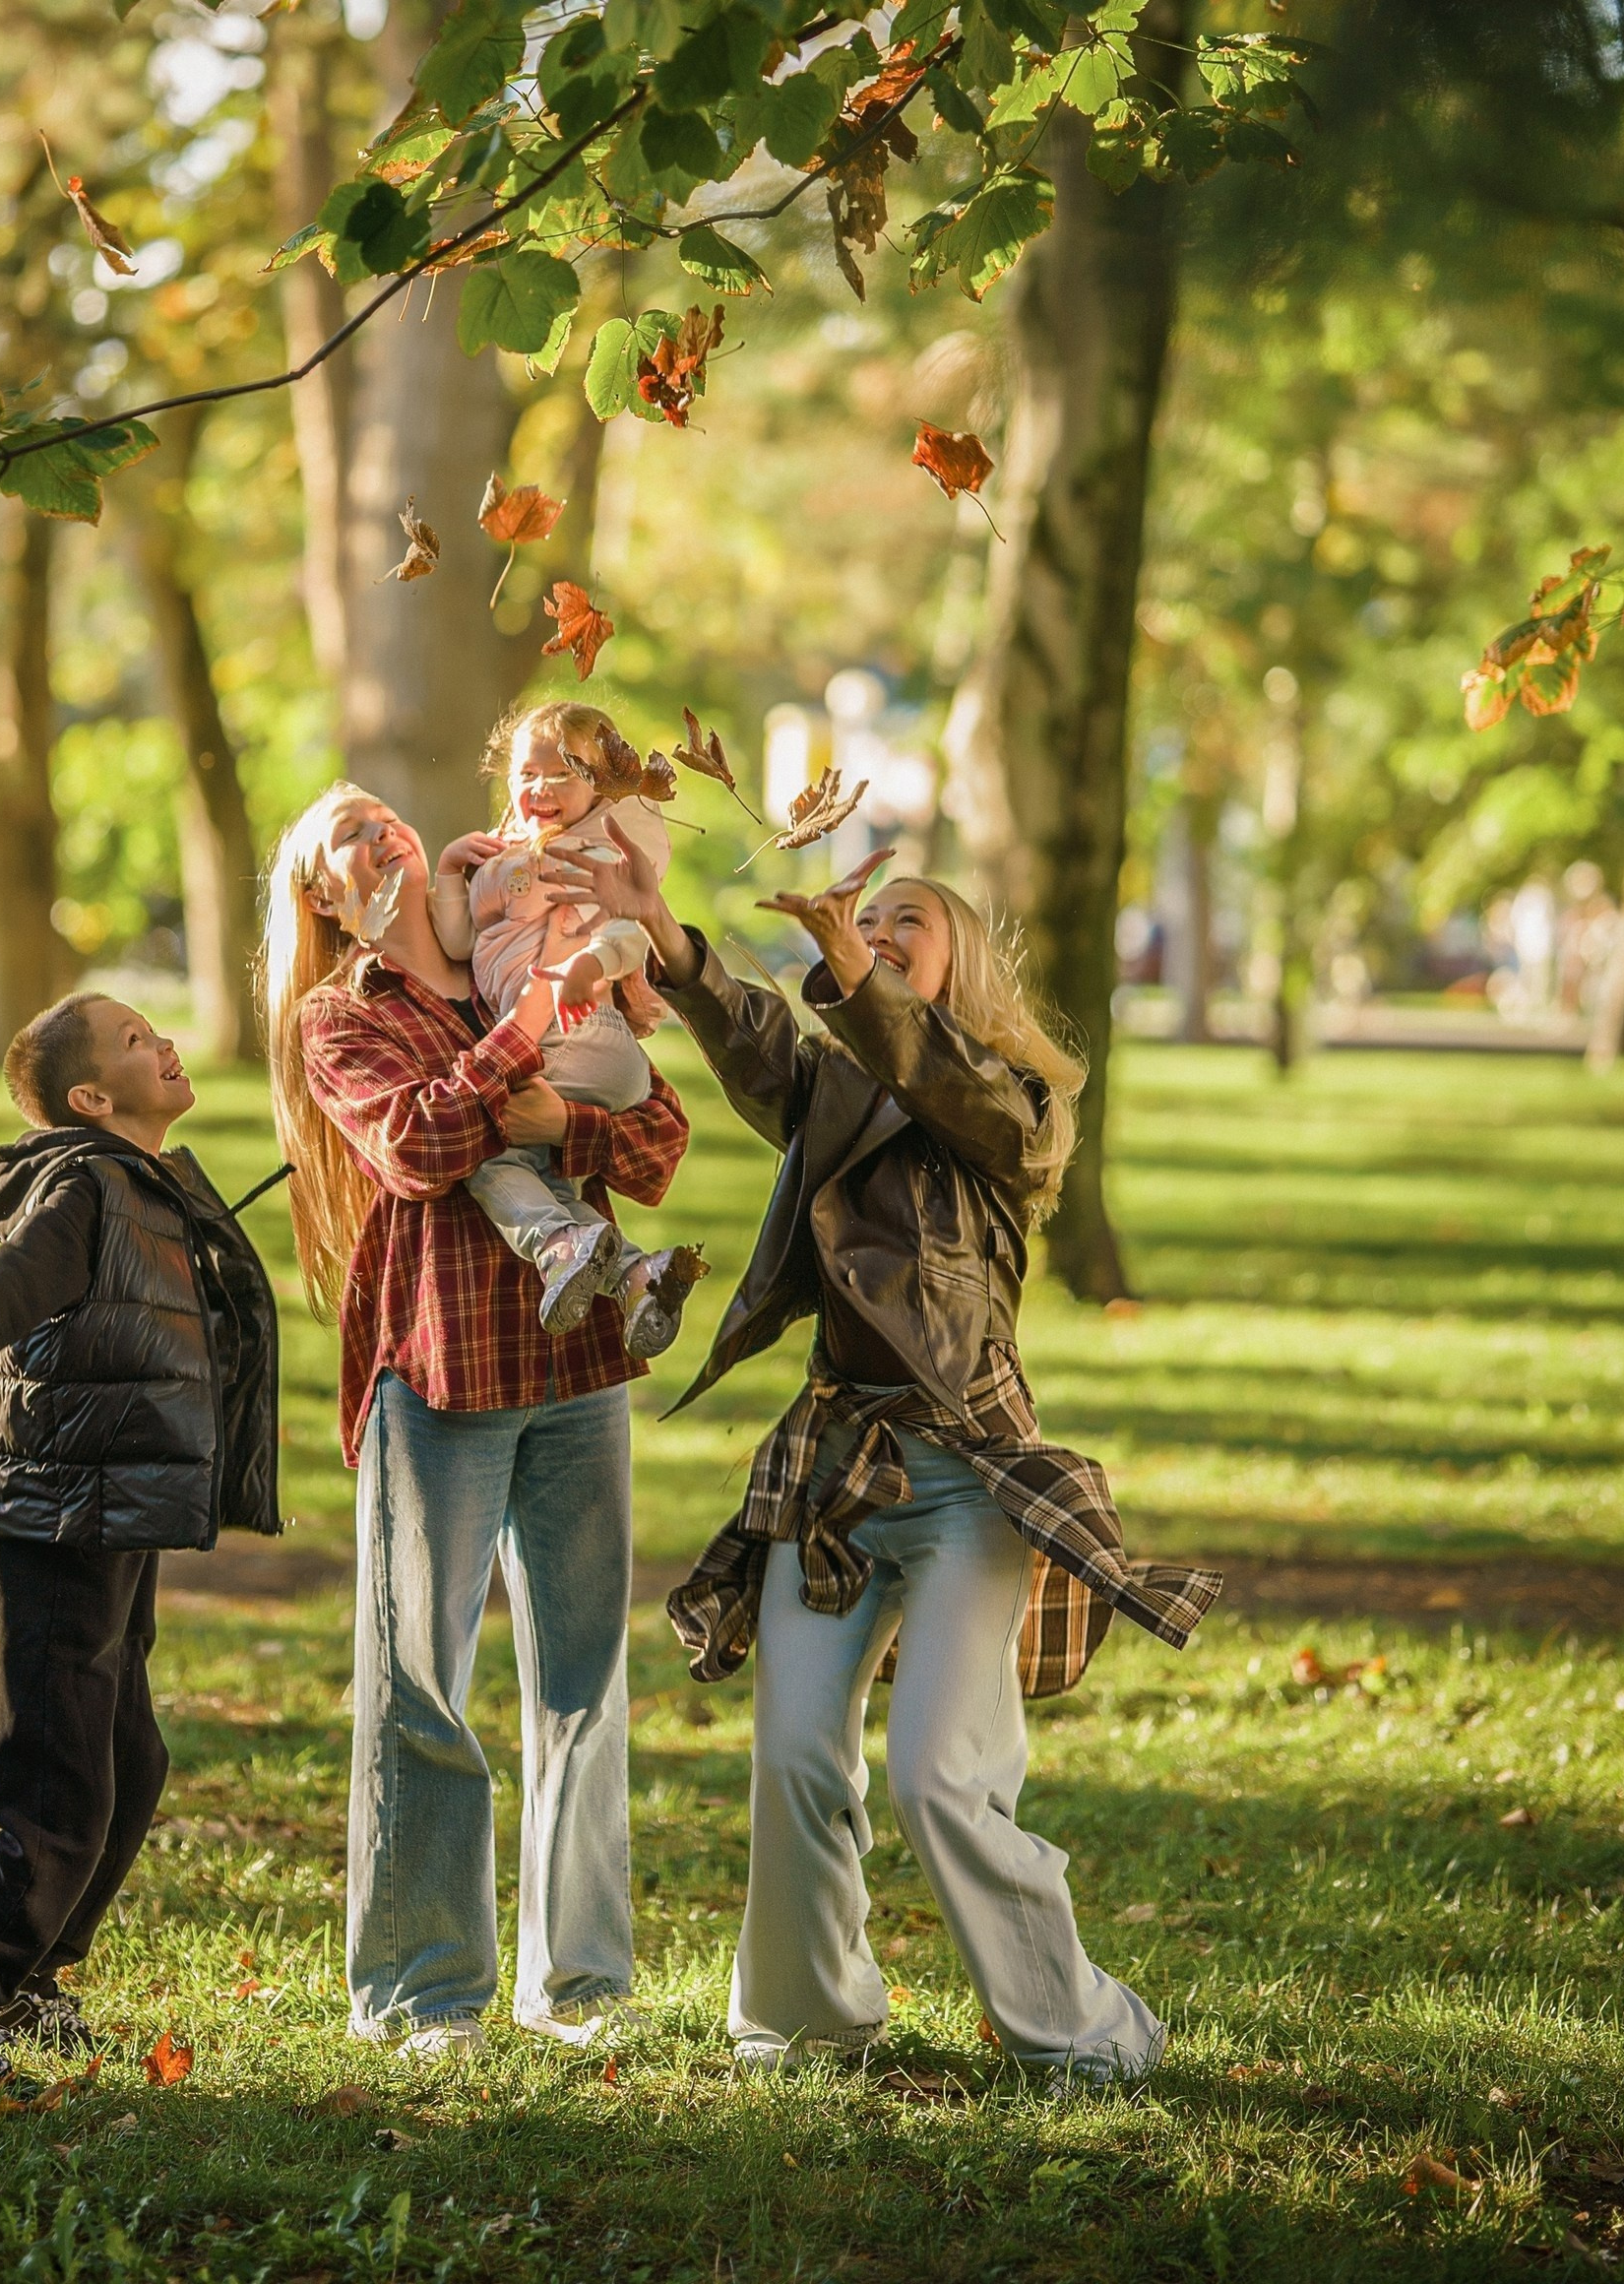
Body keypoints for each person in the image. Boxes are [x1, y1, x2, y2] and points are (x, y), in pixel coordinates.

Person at [543, 823, 1222, 2079]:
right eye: (875, 915)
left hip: (970, 1477)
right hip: (835, 1467)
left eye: (912, 919)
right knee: (796, 1753)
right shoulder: (837, 1087)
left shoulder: (1020, 1106)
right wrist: (676, 937)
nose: (882, 929)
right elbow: (755, 1043)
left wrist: (859, 975)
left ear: (959, 961)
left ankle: (1083, 2029)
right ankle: (805, 2020)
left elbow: (941, 1079)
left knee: (937, 1775)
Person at [264, 782, 689, 2060]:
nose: (382, 831)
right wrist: (525, 1044)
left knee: (584, 1681)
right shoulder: (348, 1018)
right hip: (438, 1374)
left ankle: (582, 1985)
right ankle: (425, 1993)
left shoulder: (522, 951)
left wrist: (566, 1105)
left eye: (387, 816)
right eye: (347, 834)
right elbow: (416, 1146)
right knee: (417, 1686)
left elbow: (657, 1141)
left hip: (577, 1370)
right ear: (325, 897)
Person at [0, 994, 281, 2103]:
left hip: (102, 1515)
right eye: (138, 1040)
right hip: (40, 1519)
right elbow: (14, 1284)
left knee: (130, 1765)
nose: (167, 1042)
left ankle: (32, 1979)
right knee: (58, 1797)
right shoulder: (78, 1184)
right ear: (92, 1098)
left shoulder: (146, 1179)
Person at [432, 700, 703, 1350]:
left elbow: (630, 928)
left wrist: (589, 962)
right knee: (546, 1176)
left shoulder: (598, 852)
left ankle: (556, 1246)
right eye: (528, 774)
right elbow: (457, 940)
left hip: (579, 1030)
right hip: (575, 1049)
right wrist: (448, 870)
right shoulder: (508, 860)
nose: (541, 788)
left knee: (490, 1154)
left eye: (564, 774)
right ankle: (639, 1274)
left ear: (601, 786)